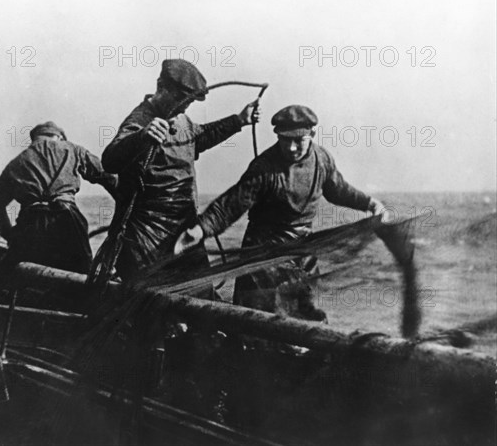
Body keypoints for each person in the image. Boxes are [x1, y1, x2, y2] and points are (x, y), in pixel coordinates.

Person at [175, 105, 386, 320]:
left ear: (311, 134)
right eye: (286, 140)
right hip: (263, 253)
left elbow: (339, 190)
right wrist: (200, 230)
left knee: (311, 316)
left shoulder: (322, 160)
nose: (292, 148)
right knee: (262, 321)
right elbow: (231, 205)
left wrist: (369, 203)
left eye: (299, 141)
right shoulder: (264, 168)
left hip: (302, 249)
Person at [100, 59, 259, 282]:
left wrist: (238, 121)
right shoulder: (140, 120)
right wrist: (142, 137)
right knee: (150, 304)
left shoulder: (182, 120)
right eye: (179, 99)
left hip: (184, 229)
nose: (184, 106)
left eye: (189, 102)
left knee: (197, 296)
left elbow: (198, 138)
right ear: (160, 87)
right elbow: (110, 160)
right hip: (147, 234)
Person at [0, 121, 117, 274]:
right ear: (59, 137)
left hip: (30, 225)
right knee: (82, 277)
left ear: (35, 138)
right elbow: (109, 178)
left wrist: (10, 235)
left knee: (10, 275)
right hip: (68, 221)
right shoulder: (73, 149)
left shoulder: (17, 162)